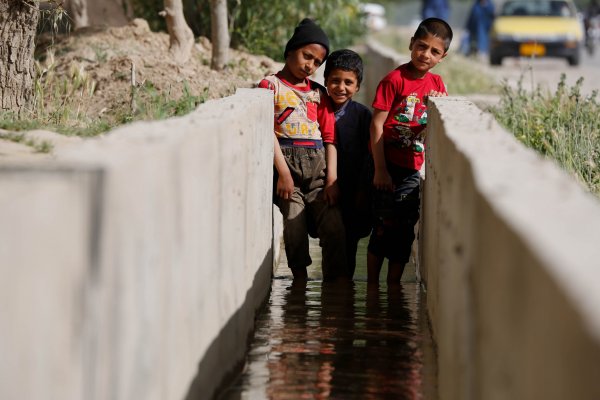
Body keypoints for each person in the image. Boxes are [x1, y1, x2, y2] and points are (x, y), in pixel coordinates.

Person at [258, 18, 347, 282]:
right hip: (287, 170)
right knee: (294, 226)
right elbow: (267, 131)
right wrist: (283, 174)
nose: (310, 65)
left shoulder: (319, 94)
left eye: (317, 62)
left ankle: (335, 289)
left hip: (318, 171)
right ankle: (299, 284)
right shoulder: (270, 87)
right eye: (306, 56)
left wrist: (332, 178)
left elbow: (330, 138)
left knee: (334, 225)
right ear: (290, 51)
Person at [368, 18, 453, 285]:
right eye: (421, 46)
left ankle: (392, 287)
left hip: (412, 170)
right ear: (411, 44)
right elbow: (377, 124)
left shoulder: (437, 85)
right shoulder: (394, 80)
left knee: (404, 230)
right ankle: (372, 287)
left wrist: (441, 102)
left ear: (442, 57)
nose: (425, 54)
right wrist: (380, 169)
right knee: (382, 227)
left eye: (434, 51)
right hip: (388, 165)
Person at [323, 49, 373, 279]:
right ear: (325, 81)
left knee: (350, 241)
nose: (340, 87)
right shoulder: (317, 110)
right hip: (323, 187)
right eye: (335, 81)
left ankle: (342, 295)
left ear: (358, 87)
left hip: (353, 189)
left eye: (348, 82)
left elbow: (368, 155)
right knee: (330, 236)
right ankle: (331, 292)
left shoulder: (363, 116)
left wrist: (363, 190)